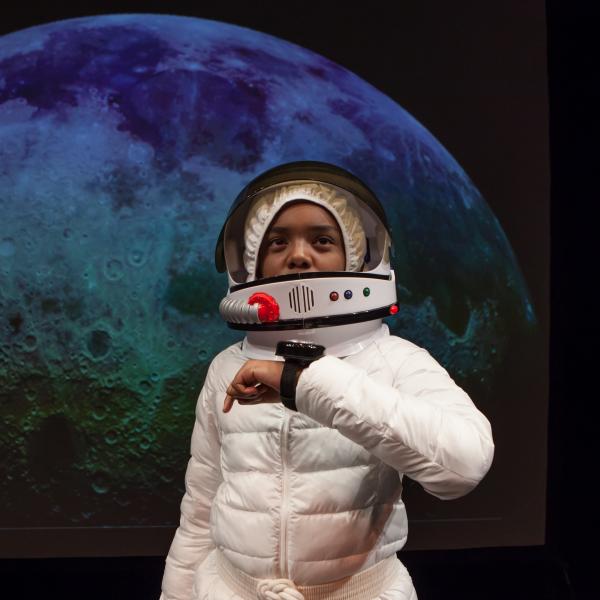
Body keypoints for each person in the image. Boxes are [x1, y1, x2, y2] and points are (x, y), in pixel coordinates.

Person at [160, 161, 494, 600]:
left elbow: (464, 464)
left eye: (322, 239)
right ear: (251, 260)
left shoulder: (393, 361)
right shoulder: (227, 366)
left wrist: (303, 383)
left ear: (356, 255)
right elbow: (201, 509)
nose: (298, 255)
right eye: (277, 241)